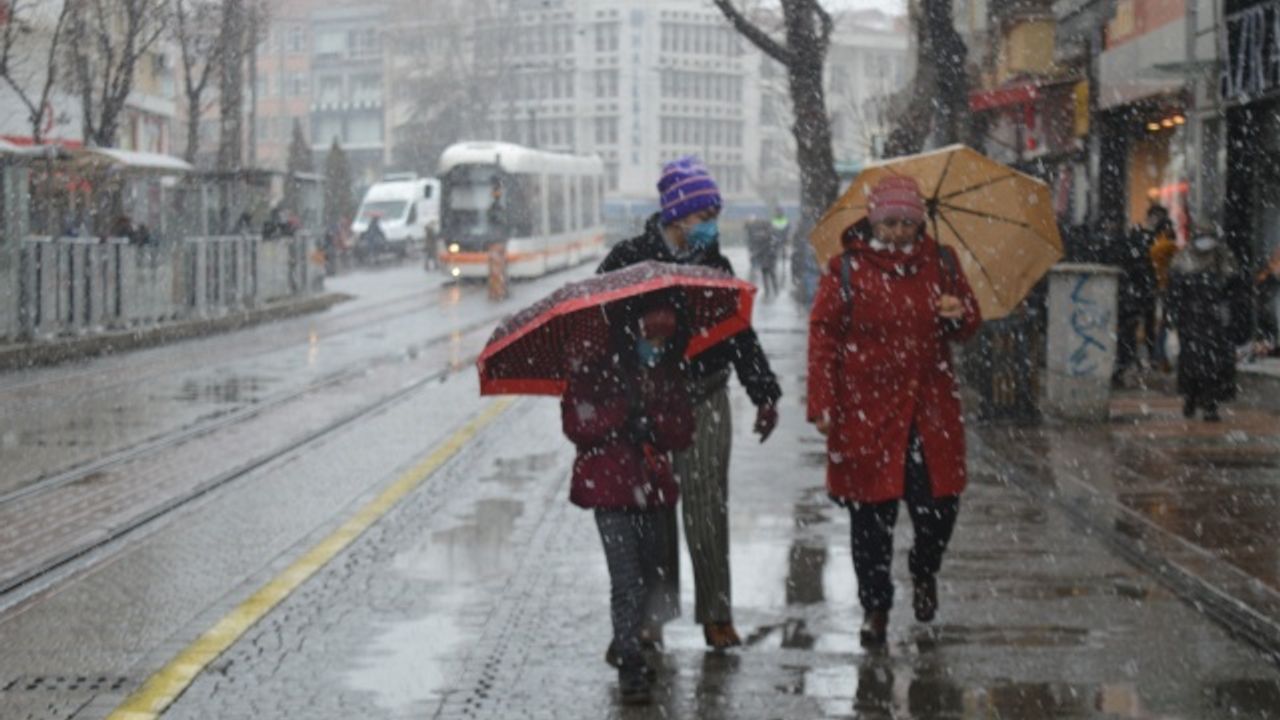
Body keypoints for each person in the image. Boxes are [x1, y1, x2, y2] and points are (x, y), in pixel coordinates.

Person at [598, 156, 781, 650]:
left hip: (706, 399)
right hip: (649, 407)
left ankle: (716, 616)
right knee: (654, 515)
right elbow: (599, 324)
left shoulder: (714, 266)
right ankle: (652, 617)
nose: (711, 225)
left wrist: (764, 393)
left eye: (715, 215)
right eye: (705, 215)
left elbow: (740, 335)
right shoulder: (629, 259)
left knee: (707, 510)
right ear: (677, 215)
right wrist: (637, 338)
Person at [806, 176, 981, 647]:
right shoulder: (846, 268)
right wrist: (821, 402)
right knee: (870, 519)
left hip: (930, 410)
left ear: (920, 221)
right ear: (873, 221)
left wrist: (958, 313)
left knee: (939, 508)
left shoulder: (943, 263)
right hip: (866, 411)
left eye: (907, 223)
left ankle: (924, 570)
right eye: (890, 223)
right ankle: (875, 606)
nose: (900, 232)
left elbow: (969, 322)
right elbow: (823, 336)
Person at [560, 298, 695, 705]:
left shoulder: (666, 374)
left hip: (651, 491)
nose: (656, 347)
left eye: (663, 341)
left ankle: (627, 643)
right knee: (627, 580)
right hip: (611, 490)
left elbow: (683, 429)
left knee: (650, 574)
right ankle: (630, 663)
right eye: (650, 338)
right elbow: (577, 423)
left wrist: (654, 425)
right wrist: (622, 416)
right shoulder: (595, 370)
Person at [1168, 226, 1243, 422]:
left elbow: (1234, 290)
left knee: (1215, 366)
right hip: (1191, 322)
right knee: (1193, 364)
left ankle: (1211, 403)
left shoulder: (1223, 259)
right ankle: (1191, 398)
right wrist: (1173, 321)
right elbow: (1174, 294)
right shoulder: (1183, 261)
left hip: (1216, 323)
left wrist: (1229, 315)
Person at [1111, 205, 1167, 384]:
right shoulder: (1141, 237)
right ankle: (1129, 363)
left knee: (1143, 327)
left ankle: (1134, 361)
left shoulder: (1160, 238)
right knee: (1133, 327)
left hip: (1144, 289)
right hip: (1139, 289)